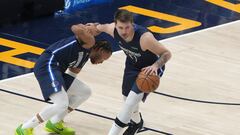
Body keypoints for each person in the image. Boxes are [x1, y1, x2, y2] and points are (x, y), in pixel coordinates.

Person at [15, 24, 112, 135]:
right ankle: (25, 128)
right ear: (98, 49)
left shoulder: (84, 58)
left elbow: (72, 75)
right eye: (102, 58)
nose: (101, 62)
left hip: (56, 71)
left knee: (84, 92)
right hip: (47, 65)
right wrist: (90, 28)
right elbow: (75, 28)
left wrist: (65, 93)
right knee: (61, 103)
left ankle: (55, 122)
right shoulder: (89, 42)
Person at [87, 9, 172, 135]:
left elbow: (166, 53)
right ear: (115, 25)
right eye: (120, 28)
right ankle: (137, 123)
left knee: (129, 103)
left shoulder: (145, 38)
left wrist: (155, 66)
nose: (124, 31)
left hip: (149, 70)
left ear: (132, 24)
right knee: (127, 99)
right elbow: (98, 27)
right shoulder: (111, 29)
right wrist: (89, 28)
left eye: (127, 27)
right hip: (132, 65)